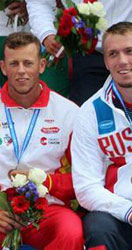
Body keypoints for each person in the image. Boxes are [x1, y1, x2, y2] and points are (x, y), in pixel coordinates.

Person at [0, 32, 83, 249]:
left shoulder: (69, 112)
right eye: (14, 64)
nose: (21, 71)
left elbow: (82, 176)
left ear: (42, 65)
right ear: (4, 68)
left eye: (28, 63)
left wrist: (46, 181)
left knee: (71, 231)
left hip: (48, 207)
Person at [71, 21, 132, 250]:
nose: (122, 61)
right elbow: (86, 188)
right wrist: (128, 212)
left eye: (129, 51)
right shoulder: (90, 112)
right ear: (105, 61)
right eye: (113, 54)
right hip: (119, 210)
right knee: (97, 226)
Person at [26, 0, 132, 105]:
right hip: (87, 52)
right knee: (89, 112)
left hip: (129, 48)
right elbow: (39, 2)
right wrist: (46, 32)